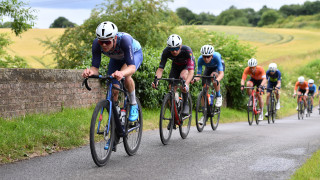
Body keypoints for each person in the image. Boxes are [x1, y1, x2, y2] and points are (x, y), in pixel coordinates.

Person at [82, 21, 143, 151]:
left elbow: (131, 66)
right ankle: (116, 119)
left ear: (114, 38)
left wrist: (122, 72)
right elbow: (95, 68)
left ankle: (133, 104)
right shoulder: (96, 44)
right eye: (101, 41)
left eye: (107, 42)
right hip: (116, 60)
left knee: (126, 77)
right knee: (114, 89)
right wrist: (90, 72)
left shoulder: (125, 40)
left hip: (133, 56)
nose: (104, 45)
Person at [152, 34, 195, 116]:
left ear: (180, 46)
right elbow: (160, 69)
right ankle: (174, 116)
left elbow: (191, 72)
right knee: (171, 88)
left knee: (183, 77)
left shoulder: (187, 50)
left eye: (176, 48)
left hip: (187, 66)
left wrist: (186, 83)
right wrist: (156, 80)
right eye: (172, 49)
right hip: (176, 66)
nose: (174, 51)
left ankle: (185, 103)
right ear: (169, 48)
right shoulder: (166, 51)